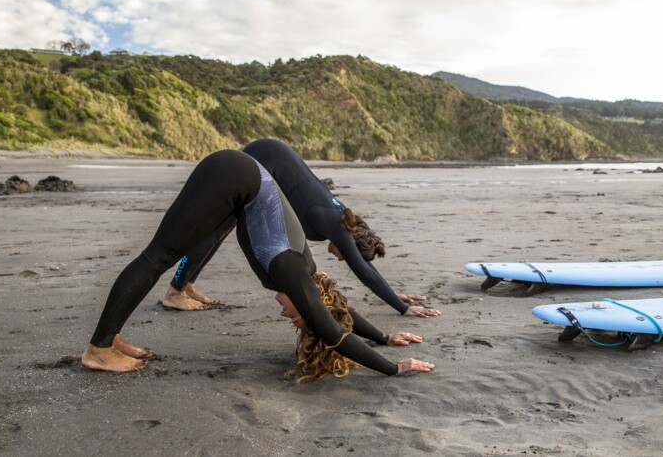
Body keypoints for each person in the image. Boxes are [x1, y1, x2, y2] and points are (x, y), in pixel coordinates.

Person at [81, 149, 434, 376]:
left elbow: (340, 311)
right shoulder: (292, 272)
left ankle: (111, 339)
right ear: (308, 301)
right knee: (157, 257)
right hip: (233, 175)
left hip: (239, 182)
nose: (286, 317)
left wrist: (385, 336)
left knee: (172, 253)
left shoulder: (307, 275)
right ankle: (98, 349)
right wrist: (394, 368)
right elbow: (332, 330)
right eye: (297, 317)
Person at [161, 138, 440, 318]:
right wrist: (403, 307)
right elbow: (364, 272)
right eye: (345, 254)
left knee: (223, 228)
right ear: (351, 242)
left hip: (271, 155)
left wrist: (393, 293)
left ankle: (187, 284)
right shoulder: (336, 225)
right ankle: (175, 293)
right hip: (260, 158)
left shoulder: (342, 218)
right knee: (217, 228)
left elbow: (366, 267)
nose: (339, 257)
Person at [281, 271, 425, 383]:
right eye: (293, 317)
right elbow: (335, 329)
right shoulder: (293, 271)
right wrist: (394, 367)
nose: (283, 313)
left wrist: (385, 340)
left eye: (292, 316)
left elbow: (337, 313)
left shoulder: (292, 272)